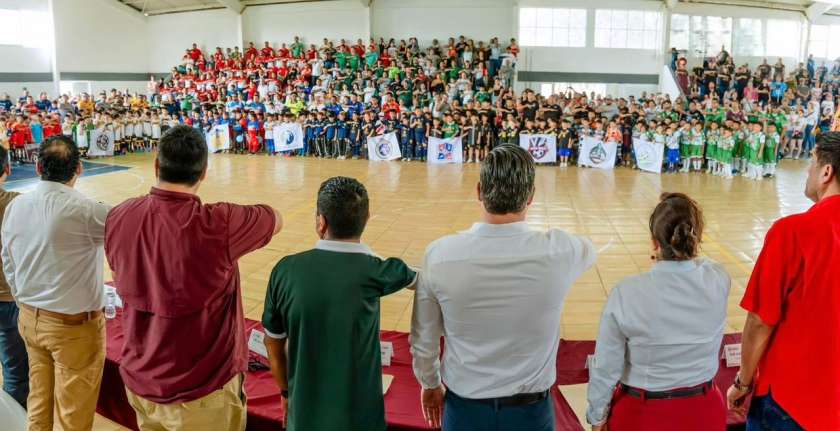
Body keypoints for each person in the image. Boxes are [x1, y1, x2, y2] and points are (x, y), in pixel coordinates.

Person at [104, 125, 282, 431]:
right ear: (203, 173)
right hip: (202, 390)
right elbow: (275, 218)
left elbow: (118, 274)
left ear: (157, 166)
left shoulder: (120, 215)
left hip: (141, 379)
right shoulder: (219, 222)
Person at [410, 144, 596, 430]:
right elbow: (590, 249)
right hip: (532, 412)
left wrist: (430, 383)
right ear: (531, 196)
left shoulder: (440, 254)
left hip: (465, 409)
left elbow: (424, 337)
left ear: (479, 191)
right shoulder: (562, 250)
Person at [261, 176, 417, 431]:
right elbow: (420, 278)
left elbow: (273, 344)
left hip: (305, 418)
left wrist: (286, 392)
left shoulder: (285, 270)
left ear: (321, 222)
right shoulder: (378, 270)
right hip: (361, 421)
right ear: (366, 219)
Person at [586, 193, 730, 431]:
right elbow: (702, 263)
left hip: (642, 414)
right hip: (704, 412)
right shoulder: (718, 278)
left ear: (654, 242)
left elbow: (606, 366)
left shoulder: (627, 292)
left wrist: (597, 415)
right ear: (696, 238)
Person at [727, 131, 840, 430]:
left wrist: (742, 381)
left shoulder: (792, 232)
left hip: (791, 401)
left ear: (826, 172)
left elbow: (760, 321)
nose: (807, 170)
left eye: (812, 162)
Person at [1, 135, 111, 431]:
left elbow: (8, 261)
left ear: (38, 167)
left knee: (39, 401)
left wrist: (24, 300)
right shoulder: (88, 210)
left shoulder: (16, 206)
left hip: (29, 318)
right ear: (79, 169)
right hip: (72, 329)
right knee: (73, 414)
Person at [0, 146, 27, 408]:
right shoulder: (17, 203)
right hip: (7, 298)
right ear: (7, 169)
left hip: (8, 298)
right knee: (17, 374)